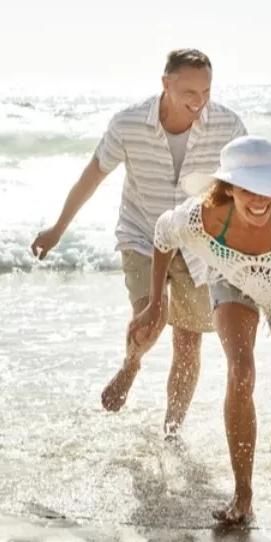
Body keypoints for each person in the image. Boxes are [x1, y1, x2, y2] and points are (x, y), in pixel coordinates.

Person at [30, 49, 247, 436]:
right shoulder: (128, 124)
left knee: (188, 343)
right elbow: (93, 175)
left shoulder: (228, 126)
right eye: (190, 92)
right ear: (166, 84)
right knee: (152, 316)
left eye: (206, 92)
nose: (199, 101)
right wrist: (58, 229)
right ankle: (131, 364)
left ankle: (172, 431)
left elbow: (251, 186)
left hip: (198, 243)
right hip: (142, 234)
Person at [127, 135, 271, 525]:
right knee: (241, 372)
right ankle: (243, 496)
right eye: (247, 189)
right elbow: (162, 236)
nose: (259, 200)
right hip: (232, 280)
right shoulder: (200, 217)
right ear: (228, 188)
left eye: (266, 188)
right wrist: (156, 303)